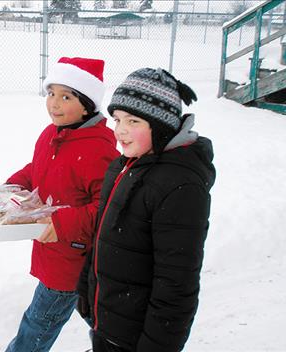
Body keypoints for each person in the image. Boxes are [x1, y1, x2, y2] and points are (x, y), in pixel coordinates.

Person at [77, 67, 216, 352]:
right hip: (107, 321)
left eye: (133, 120)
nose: (120, 130)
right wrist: (86, 287)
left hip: (138, 336)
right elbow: (103, 235)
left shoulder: (180, 186)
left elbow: (176, 283)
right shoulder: (122, 165)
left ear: (161, 125)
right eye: (117, 119)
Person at [4, 57, 120, 352]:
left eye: (65, 96)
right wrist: (12, 186)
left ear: (87, 104)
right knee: (96, 315)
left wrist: (61, 224)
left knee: (38, 323)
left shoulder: (98, 149)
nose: (54, 103)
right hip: (52, 249)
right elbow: (38, 170)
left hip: (73, 258)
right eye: (51, 93)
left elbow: (106, 208)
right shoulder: (52, 134)